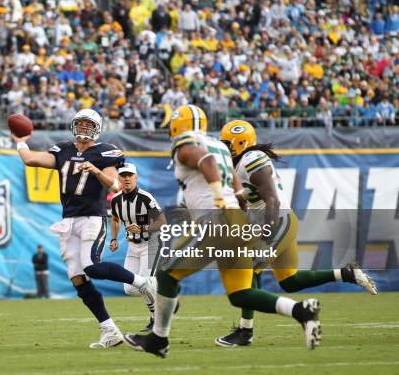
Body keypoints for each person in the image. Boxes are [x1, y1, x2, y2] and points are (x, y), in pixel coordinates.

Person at [125, 105, 323, 358]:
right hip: (235, 221)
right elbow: (238, 188)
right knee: (241, 294)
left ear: (178, 125)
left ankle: (158, 339)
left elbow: (205, 161)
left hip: (216, 221)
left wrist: (218, 196)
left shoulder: (189, 143)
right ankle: (302, 312)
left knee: (166, 274)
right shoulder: (220, 147)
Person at [214, 120, 377, 347]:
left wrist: (266, 235)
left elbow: (272, 199)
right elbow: (244, 203)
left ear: (241, 143)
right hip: (272, 222)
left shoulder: (252, 159)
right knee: (291, 282)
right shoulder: (235, 165)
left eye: (228, 144)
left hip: (277, 222)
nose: (225, 149)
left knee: (249, 268)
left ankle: (245, 332)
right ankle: (347, 274)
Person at [12, 108, 156, 349]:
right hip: (69, 220)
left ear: (98, 128)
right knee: (78, 278)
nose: (83, 129)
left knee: (92, 266)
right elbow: (30, 160)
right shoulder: (63, 149)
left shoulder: (105, 152)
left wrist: (95, 169)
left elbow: (113, 185)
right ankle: (109, 330)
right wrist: (20, 142)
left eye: (89, 125)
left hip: (92, 217)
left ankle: (142, 283)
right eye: (80, 124)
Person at [110, 163, 167, 332]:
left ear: (136, 177)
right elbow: (115, 219)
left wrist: (143, 228)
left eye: (130, 175)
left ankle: (156, 319)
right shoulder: (116, 200)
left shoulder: (145, 198)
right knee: (129, 288)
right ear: (119, 178)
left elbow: (162, 222)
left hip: (151, 243)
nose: (127, 178)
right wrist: (113, 239)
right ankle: (165, 295)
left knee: (145, 283)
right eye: (123, 175)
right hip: (132, 246)